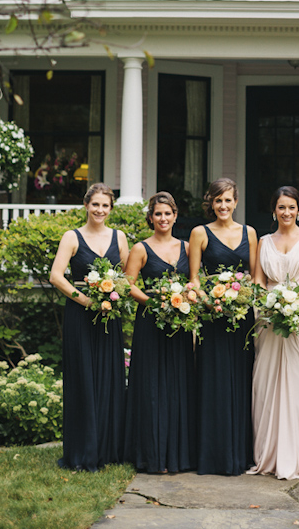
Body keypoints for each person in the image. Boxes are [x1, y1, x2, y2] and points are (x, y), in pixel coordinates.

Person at [50, 182, 129, 471]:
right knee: (83, 378)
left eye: (105, 205)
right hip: (80, 315)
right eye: (95, 204)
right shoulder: (72, 237)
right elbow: (56, 276)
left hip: (109, 317)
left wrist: (112, 298)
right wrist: (86, 301)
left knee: (109, 378)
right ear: (86, 205)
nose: (100, 210)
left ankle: (108, 448)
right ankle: (82, 451)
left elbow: (125, 278)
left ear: (110, 208)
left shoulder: (119, 238)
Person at [248, 186, 299, 479]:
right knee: (266, 381)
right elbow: (258, 280)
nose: (286, 212)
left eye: (291, 207)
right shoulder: (263, 241)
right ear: (274, 210)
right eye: (281, 207)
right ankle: (269, 452)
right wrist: (268, 305)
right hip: (268, 319)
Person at [189, 178, 258, 475]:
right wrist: (210, 301)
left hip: (242, 319)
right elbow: (193, 278)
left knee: (241, 380)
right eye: (218, 200)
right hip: (213, 318)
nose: (223, 206)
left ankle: (240, 454)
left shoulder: (250, 233)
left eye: (228, 200)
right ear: (211, 202)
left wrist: (242, 300)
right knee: (214, 381)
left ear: (236, 202)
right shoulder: (199, 233)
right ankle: (212, 455)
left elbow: (255, 277)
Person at [124, 191, 196, 473]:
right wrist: (155, 302)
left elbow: (194, 281)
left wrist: (183, 299)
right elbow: (128, 285)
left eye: (168, 213)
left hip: (179, 324)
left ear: (175, 216)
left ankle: (178, 455)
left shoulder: (188, 247)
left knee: (178, 383)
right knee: (151, 386)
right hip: (150, 323)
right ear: (150, 218)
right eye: (158, 214)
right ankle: (151, 454)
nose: (163, 218)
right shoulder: (141, 249)